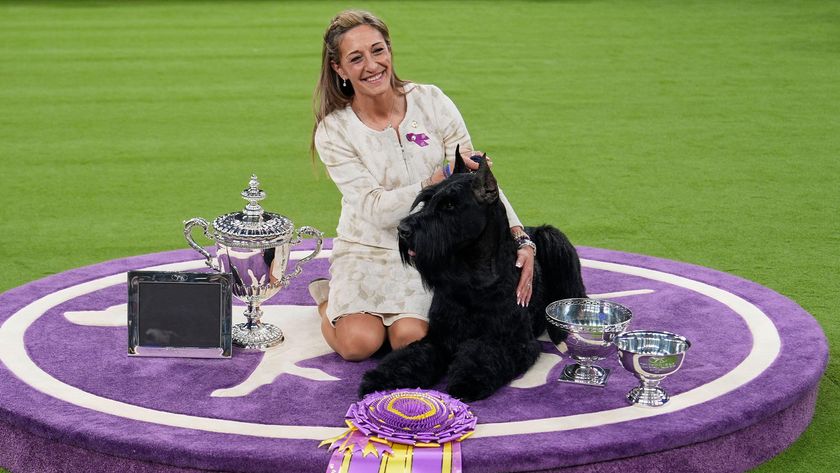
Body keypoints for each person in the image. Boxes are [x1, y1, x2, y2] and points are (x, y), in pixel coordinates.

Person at [310, 9, 536, 361]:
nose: (372, 65)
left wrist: (520, 236)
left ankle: (373, 315)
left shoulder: (432, 100)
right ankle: (327, 302)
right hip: (364, 247)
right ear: (339, 69)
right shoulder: (333, 130)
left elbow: (477, 182)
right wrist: (434, 180)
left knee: (411, 340)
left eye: (378, 50)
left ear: (390, 50)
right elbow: (374, 208)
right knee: (358, 345)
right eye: (356, 58)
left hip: (430, 249)